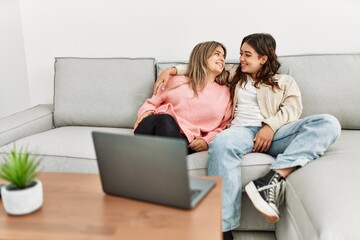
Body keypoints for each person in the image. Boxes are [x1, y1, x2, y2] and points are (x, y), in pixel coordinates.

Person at [154, 33, 341, 240]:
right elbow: (202, 66)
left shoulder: (285, 81)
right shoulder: (235, 75)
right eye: (241, 53)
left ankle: (271, 180)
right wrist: (170, 70)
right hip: (240, 131)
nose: (241, 58)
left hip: (277, 133)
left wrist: (269, 127)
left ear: (263, 58)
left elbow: (292, 109)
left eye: (247, 55)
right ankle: (221, 230)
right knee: (222, 142)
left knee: (328, 123)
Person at [134, 41, 233, 154]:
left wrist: (206, 140)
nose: (222, 59)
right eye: (217, 54)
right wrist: (147, 112)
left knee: (174, 141)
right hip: (155, 127)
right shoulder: (176, 80)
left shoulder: (225, 93)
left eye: (223, 56)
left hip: (184, 140)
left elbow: (224, 126)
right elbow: (151, 103)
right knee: (166, 120)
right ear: (202, 56)